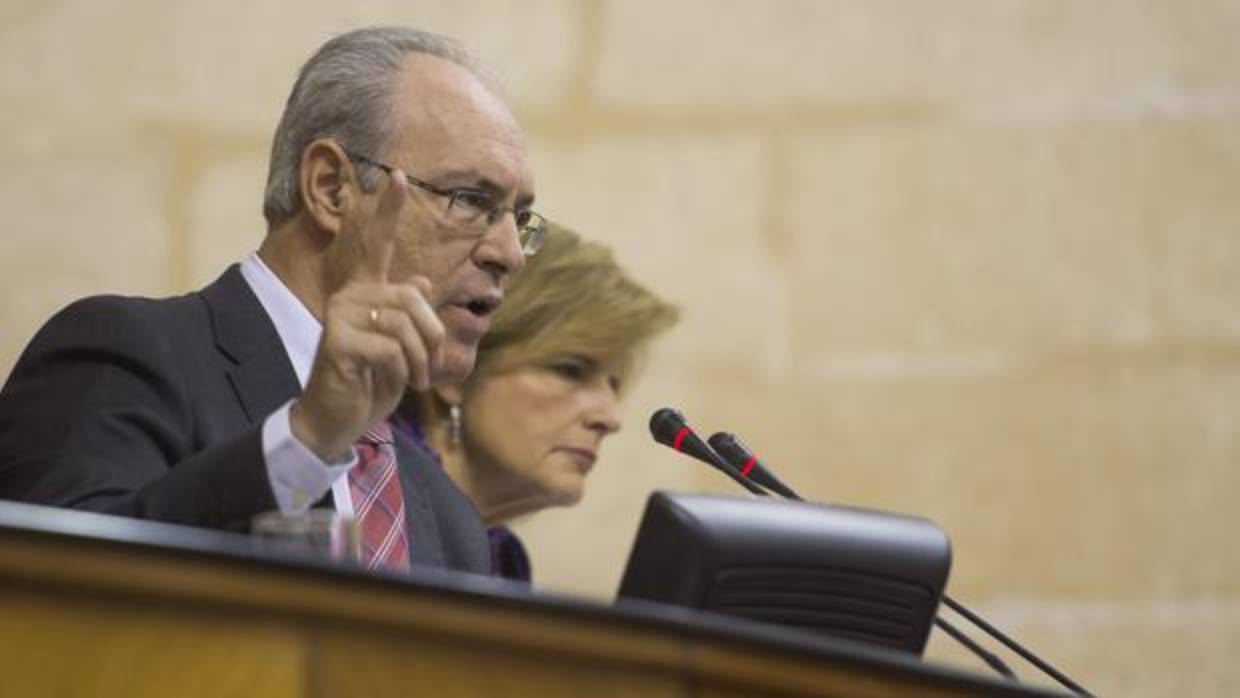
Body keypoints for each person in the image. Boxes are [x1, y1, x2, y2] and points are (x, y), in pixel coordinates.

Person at [0, 26, 542, 575]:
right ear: (332, 188)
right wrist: (306, 441)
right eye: (471, 200)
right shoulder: (128, 354)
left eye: (519, 219)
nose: (509, 253)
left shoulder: (453, 525)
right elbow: (53, 596)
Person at [399, 224, 678, 580]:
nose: (610, 418)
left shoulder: (505, 561)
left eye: (614, 384)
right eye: (570, 370)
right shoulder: (371, 504)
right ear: (454, 372)